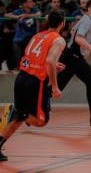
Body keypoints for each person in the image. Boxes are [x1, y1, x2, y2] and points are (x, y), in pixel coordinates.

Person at [0, 11, 67, 162]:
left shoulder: (37, 35)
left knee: (20, 117)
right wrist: (55, 86)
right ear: (63, 23)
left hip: (22, 77)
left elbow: (38, 59)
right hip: (35, 82)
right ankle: (12, 111)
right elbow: (49, 61)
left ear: (48, 21)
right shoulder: (59, 40)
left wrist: (53, 65)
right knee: (41, 120)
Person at [58, 0, 91, 126]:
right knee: (55, 89)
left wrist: (87, 44)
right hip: (72, 57)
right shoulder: (87, 20)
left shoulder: (85, 20)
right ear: (89, 9)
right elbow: (77, 38)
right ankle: (25, 110)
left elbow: (73, 32)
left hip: (75, 57)